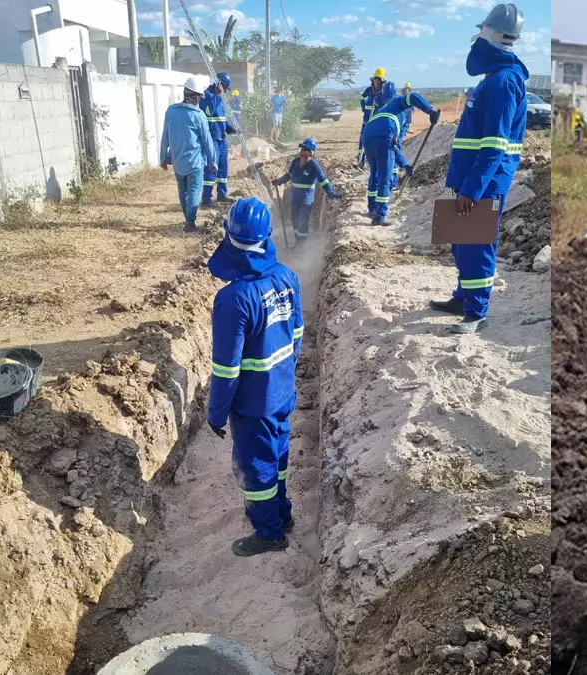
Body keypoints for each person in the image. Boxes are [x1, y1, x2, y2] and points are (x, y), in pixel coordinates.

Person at [207, 197, 304, 557]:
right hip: (281, 392)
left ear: (229, 238)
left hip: (253, 403)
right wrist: (282, 376)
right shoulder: (287, 277)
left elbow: (226, 370)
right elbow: (297, 336)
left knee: (256, 466)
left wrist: (216, 414)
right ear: (266, 237)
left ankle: (269, 533)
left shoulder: (233, 299)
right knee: (277, 455)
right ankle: (281, 513)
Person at [429, 3, 527, 334]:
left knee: (477, 246)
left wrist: (472, 189)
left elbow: (494, 145)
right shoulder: (493, 79)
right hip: (472, 179)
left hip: (484, 183)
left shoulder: (503, 82)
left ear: (490, 35)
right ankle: (463, 297)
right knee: (462, 241)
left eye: (480, 33)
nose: (475, 41)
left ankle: (476, 313)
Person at [361, 90, 439, 225]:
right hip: (383, 133)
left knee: (374, 173)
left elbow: (393, 146)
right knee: (385, 176)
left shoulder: (385, 110)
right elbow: (413, 96)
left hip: (367, 135)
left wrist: (404, 164)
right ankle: (380, 215)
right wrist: (430, 111)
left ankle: (372, 209)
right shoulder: (398, 103)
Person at [159, 76, 216, 233]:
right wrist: (213, 162)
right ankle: (190, 223)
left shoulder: (171, 112)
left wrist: (163, 158)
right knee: (193, 191)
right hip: (195, 163)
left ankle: (188, 220)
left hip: (178, 162)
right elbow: (207, 141)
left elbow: (165, 137)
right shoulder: (198, 115)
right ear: (196, 97)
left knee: (182, 191)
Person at [271, 138, 341, 245]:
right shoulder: (295, 162)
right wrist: (279, 181)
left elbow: (323, 181)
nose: (302, 152)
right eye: (302, 149)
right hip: (295, 199)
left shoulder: (314, 165)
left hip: (306, 201)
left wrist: (332, 193)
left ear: (311, 153)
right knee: (295, 221)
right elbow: (289, 175)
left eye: (305, 150)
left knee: (302, 222)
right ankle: (297, 242)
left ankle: (301, 246)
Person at [201, 72, 239, 206]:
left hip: (222, 140)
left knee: (223, 169)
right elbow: (209, 111)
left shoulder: (220, 99)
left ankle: (222, 194)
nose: (225, 91)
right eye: (225, 87)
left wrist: (229, 128)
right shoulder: (207, 96)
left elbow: (221, 119)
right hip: (212, 140)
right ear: (219, 84)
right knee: (212, 169)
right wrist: (217, 94)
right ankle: (206, 199)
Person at [358, 68, 396, 167]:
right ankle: (360, 158)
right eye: (376, 79)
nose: (377, 82)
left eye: (379, 80)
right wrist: (363, 107)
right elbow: (362, 97)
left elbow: (384, 103)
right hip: (366, 119)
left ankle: (373, 159)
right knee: (363, 137)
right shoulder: (368, 90)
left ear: (381, 81)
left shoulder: (383, 92)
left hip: (376, 119)